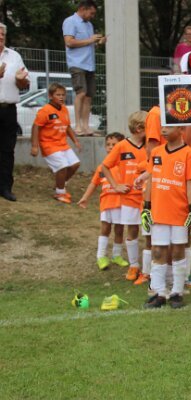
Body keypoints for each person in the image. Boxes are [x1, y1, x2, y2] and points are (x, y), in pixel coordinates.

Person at [143, 125, 191, 309]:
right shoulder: (157, 152)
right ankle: (159, 292)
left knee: (177, 251)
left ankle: (177, 291)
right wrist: (146, 206)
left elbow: (190, 182)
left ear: (181, 129)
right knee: (158, 251)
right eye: (162, 127)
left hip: (179, 212)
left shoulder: (189, 153)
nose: (163, 130)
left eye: (169, 127)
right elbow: (151, 179)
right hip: (158, 211)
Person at [101, 111, 148, 281]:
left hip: (149, 197)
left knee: (149, 233)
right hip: (129, 197)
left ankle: (148, 269)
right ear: (139, 128)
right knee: (132, 230)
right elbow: (105, 166)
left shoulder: (151, 145)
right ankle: (134, 265)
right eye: (150, 126)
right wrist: (116, 185)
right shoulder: (121, 146)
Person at [77, 132, 126, 270]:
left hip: (120, 203)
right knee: (105, 229)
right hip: (106, 203)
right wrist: (85, 197)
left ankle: (116, 255)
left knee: (119, 230)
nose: (110, 147)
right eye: (108, 144)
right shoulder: (102, 167)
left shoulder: (124, 166)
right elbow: (93, 183)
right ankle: (101, 256)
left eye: (114, 145)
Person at [30, 83, 81, 204]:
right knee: (62, 167)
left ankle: (60, 184)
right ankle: (60, 193)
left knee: (75, 165)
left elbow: (67, 126)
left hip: (62, 144)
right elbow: (35, 127)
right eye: (58, 95)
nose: (61, 97)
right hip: (49, 144)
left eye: (63, 95)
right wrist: (35, 146)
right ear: (50, 96)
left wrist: (75, 141)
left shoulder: (64, 109)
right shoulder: (45, 111)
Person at [63, 0, 106, 136]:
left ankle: (86, 126)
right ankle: (77, 126)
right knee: (81, 93)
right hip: (77, 63)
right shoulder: (70, 21)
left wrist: (99, 42)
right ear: (83, 9)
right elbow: (69, 42)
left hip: (89, 64)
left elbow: (88, 44)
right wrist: (90, 40)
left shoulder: (89, 25)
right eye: (91, 13)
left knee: (88, 96)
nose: (92, 16)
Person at [0, 22, 29, 202]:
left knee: (7, 150)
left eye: (3, 34)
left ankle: (5, 188)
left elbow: (24, 84)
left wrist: (20, 80)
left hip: (8, 109)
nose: (1, 37)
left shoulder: (14, 56)